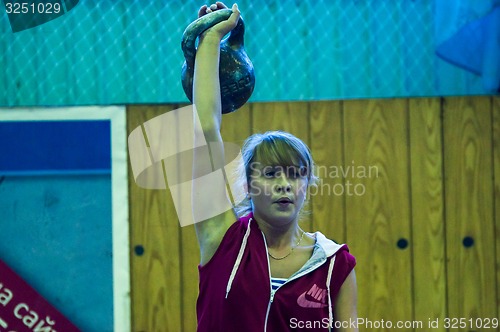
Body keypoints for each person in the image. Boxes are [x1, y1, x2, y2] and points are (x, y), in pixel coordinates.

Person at [191, 2, 358, 331]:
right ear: (248, 185)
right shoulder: (221, 239)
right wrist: (211, 39)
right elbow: (203, 130)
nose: (284, 184)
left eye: (295, 174)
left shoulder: (335, 263)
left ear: (306, 186)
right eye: (270, 174)